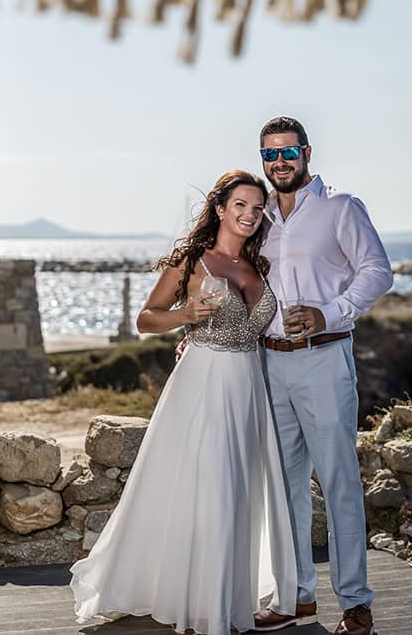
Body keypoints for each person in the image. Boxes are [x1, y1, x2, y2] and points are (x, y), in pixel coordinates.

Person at [69, 170, 298, 635]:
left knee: (237, 490)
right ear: (219, 209)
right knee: (207, 487)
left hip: (248, 388)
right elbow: (146, 319)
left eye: (258, 208)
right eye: (240, 205)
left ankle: (222, 599)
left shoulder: (262, 265)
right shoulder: (194, 262)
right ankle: (199, 608)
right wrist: (185, 317)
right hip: (203, 384)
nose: (250, 215)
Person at [252, 117, 394, 635]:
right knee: (284, 486)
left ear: (307, 153)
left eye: (287, 152)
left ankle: (356, 603)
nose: (279, 163)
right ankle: (296, 597)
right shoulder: (259, 216)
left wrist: (328, 312)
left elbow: (377, 271)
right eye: (269, 155)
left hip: (324, 357)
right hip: (269, 362)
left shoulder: (341, 208)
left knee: (338, 483)